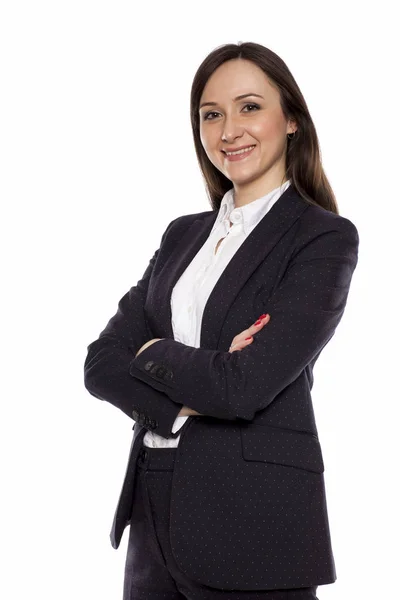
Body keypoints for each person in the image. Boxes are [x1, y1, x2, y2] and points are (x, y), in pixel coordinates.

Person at [84, 41, 359, 600]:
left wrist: (152, 351)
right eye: (212, 114)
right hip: (152, 508)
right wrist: (187, 390)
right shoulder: (182, 235)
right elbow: (100, 363)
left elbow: (245, 385)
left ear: (292, 122)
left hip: (253, 517)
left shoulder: (322, 238)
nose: (229, 129)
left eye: (250, 106)